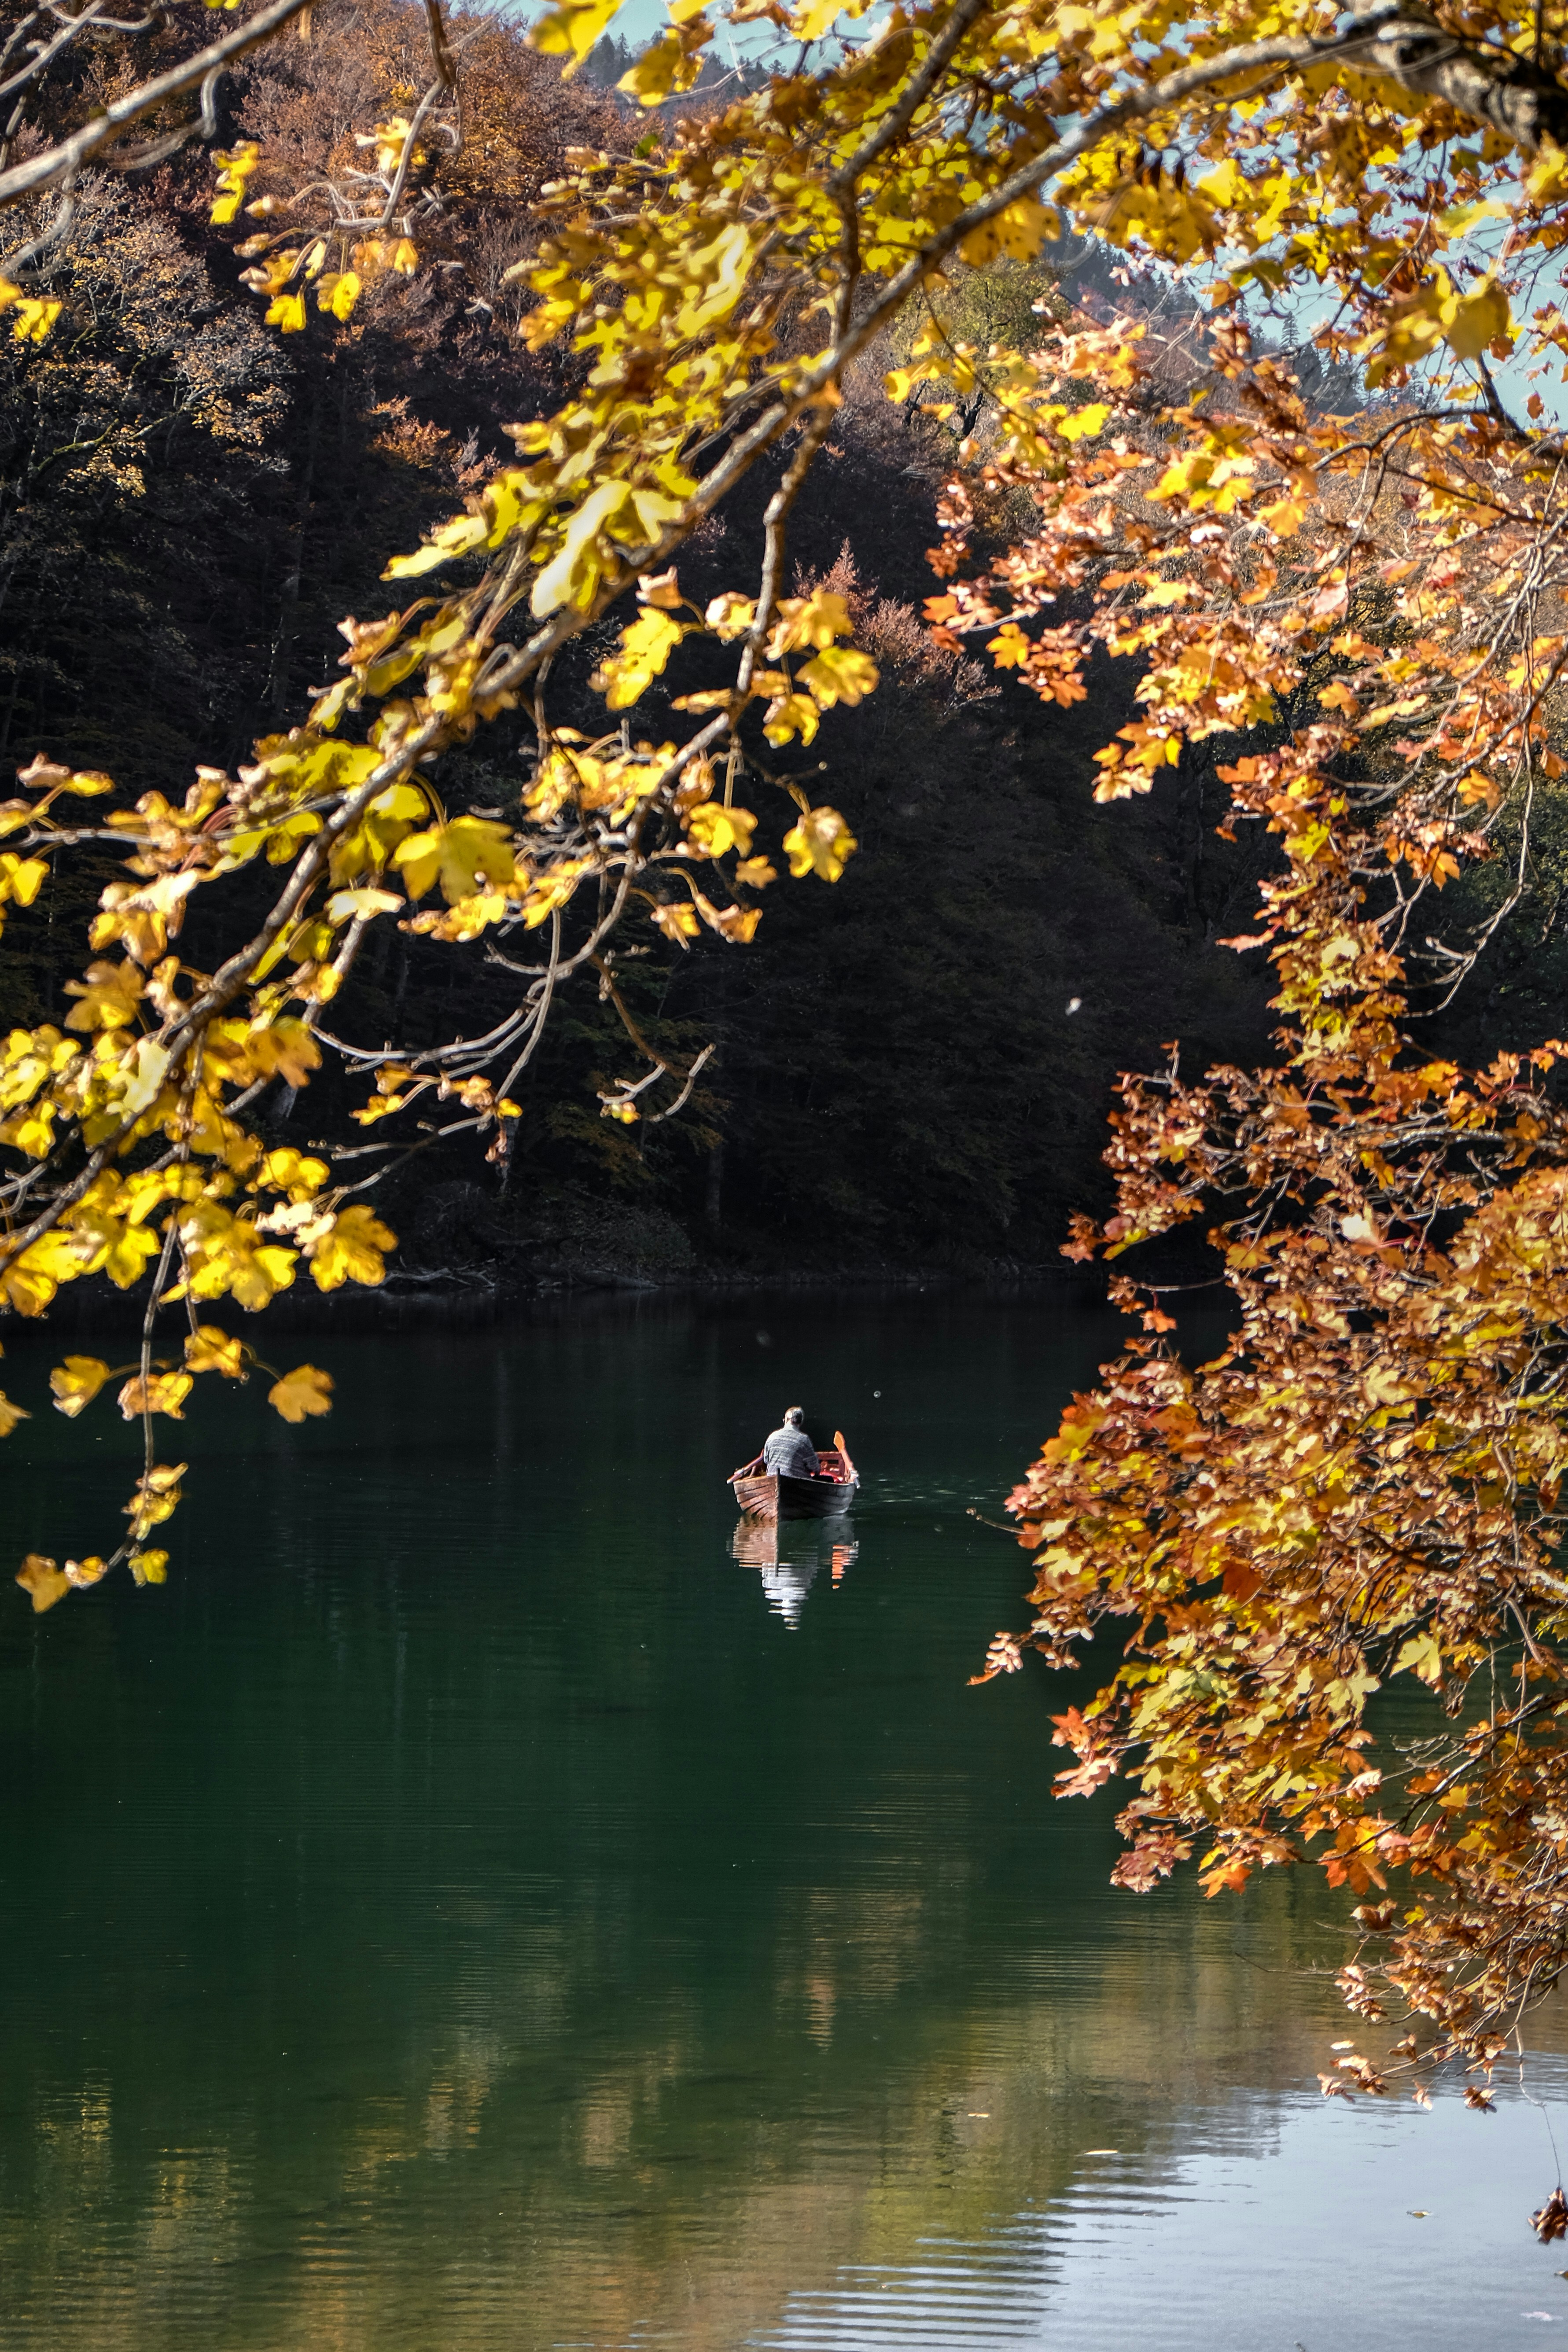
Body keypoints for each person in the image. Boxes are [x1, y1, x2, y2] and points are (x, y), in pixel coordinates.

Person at [761, 1406, 821, 1480]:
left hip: (772, 1480)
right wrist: (818, 1469)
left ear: (787, 1419)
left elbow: (766, 1460)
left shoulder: (772, 1436)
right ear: (800, 1422)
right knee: (828, 1480)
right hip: (794, 1483)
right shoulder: (804, 1440)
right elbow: (814, 1467)